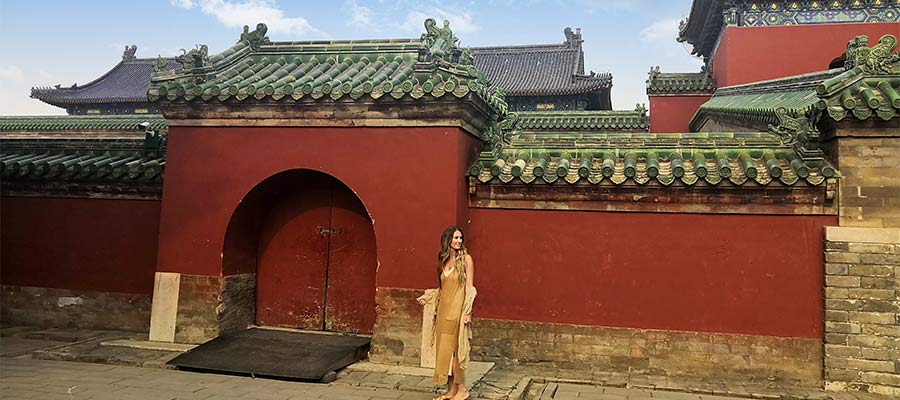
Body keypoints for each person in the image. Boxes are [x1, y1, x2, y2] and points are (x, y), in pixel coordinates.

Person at [418, 226, 476, 400]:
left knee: (457, 351)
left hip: (458, 312)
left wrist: (468, 312)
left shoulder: (466, 259)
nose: (458, 241)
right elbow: (443, 288)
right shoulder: (443, 260)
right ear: (447, 240)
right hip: (443, 312)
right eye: (455, 238)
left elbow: (470, 288)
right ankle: (451, 390)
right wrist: (429, 296)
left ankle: (463, 389)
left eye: (460, 238)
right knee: (444, 351)